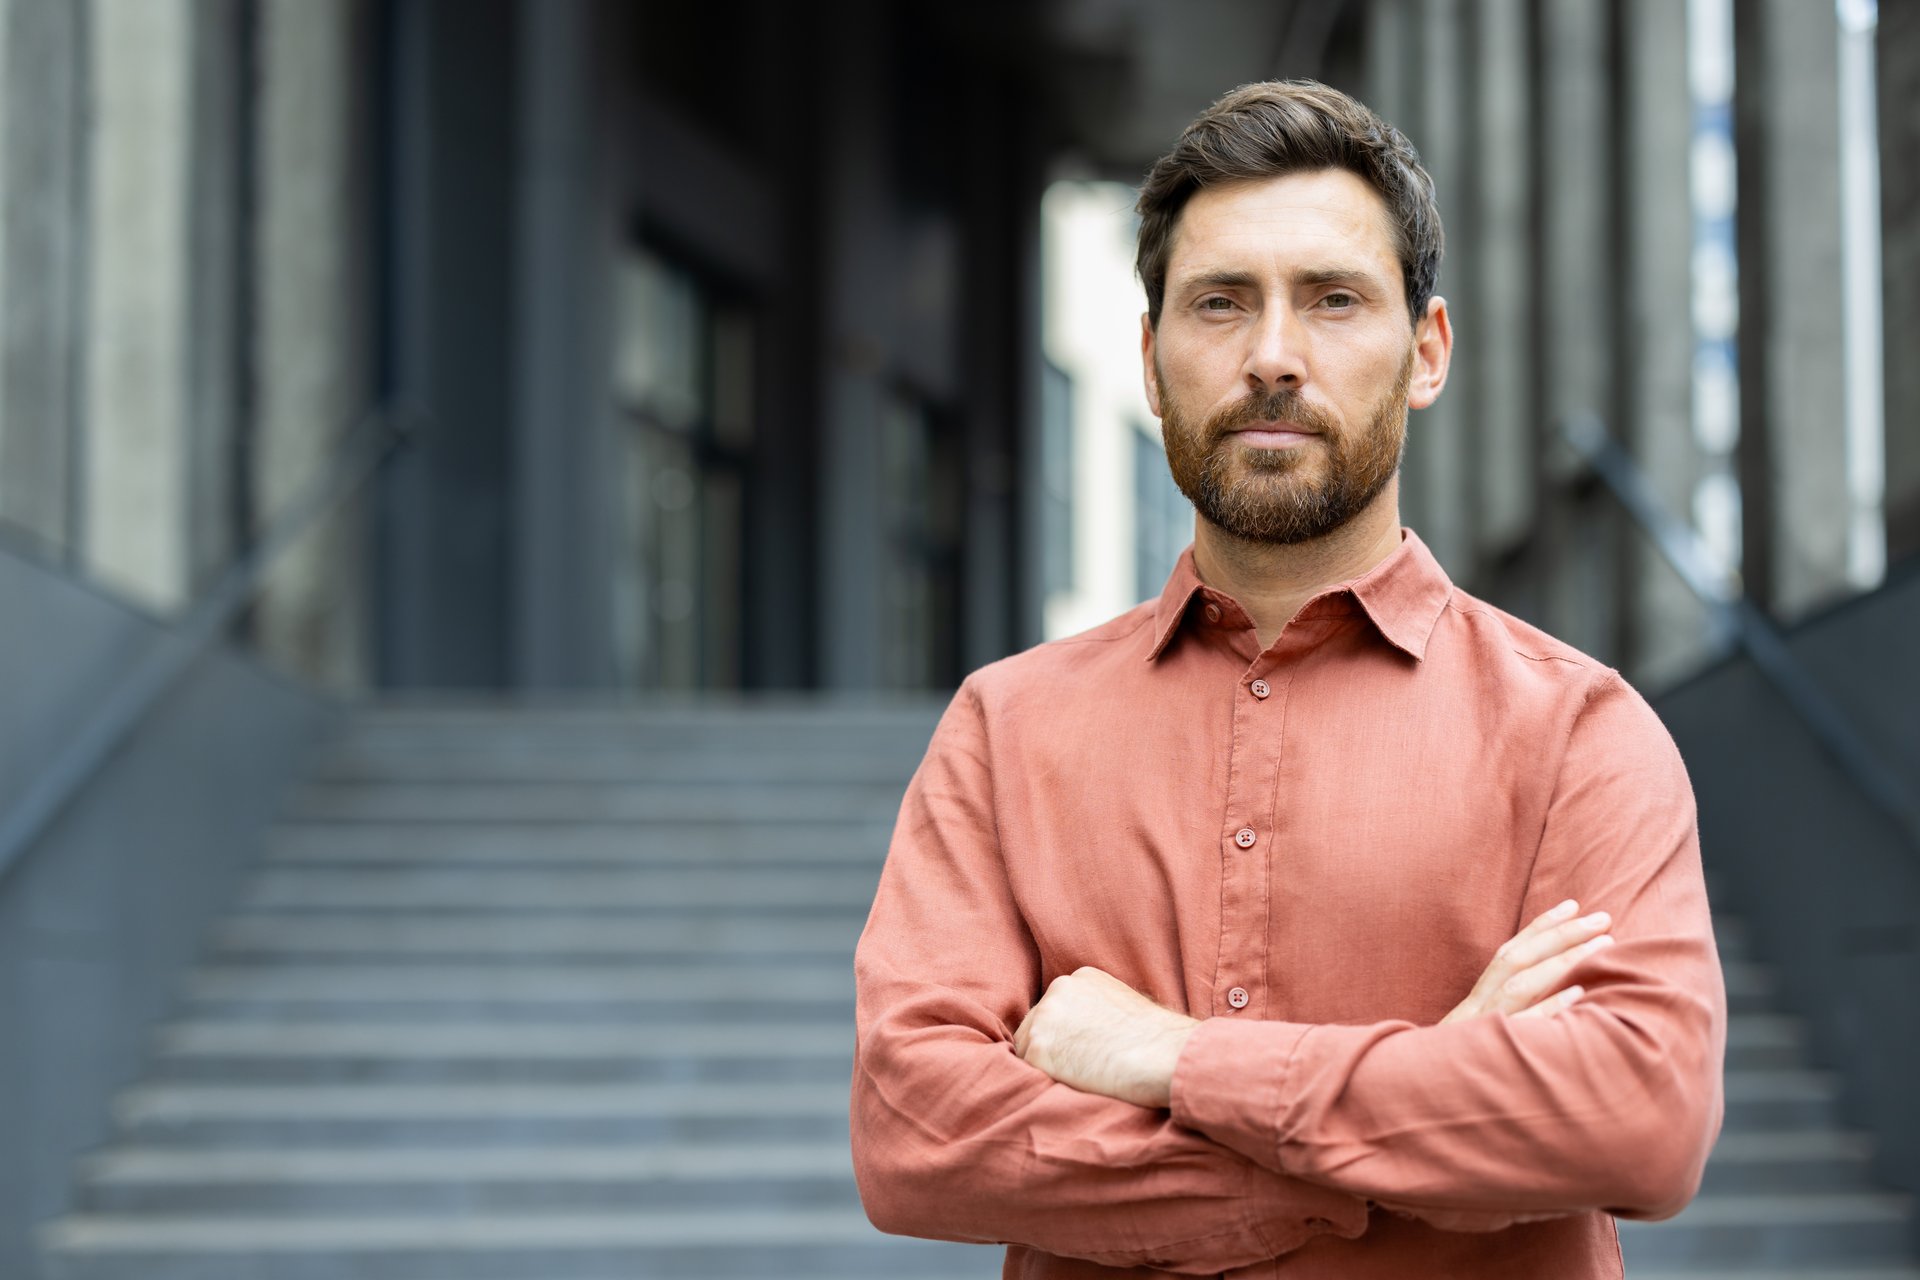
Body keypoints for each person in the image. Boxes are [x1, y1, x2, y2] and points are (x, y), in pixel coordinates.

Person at [850, 80, 1724, 1279]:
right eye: (1219, 303)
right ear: (1150, 364)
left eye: (1333, 299)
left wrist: (1173, 1061)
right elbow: (917, 1138)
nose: (1272, 356)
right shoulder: (1005, 729)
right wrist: (1421, 1117)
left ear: (1426, 352)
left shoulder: (1579, 728)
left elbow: (1640, 1113)